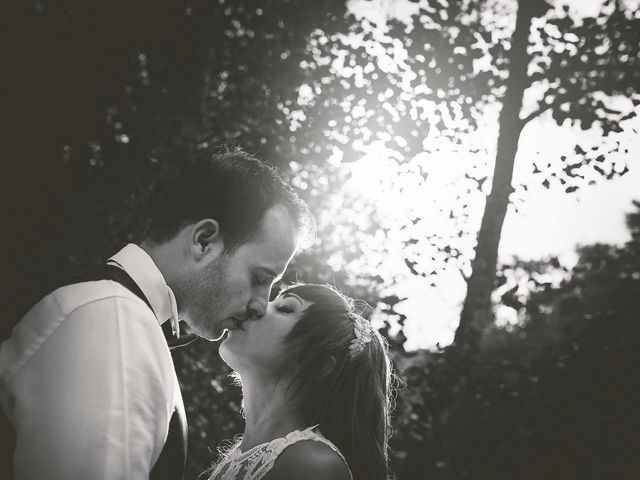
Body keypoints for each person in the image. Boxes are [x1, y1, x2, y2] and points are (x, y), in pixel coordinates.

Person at [0, 148, 314, 480]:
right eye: (260, 278)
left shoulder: (117, 316)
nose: (261, 305)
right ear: (204, 241)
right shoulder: (114, 323)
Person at [208, 283, 395, 480]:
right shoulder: (240, 456)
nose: (257, 307)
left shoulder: (311, 466)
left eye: (284, 308)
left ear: (317, 363)